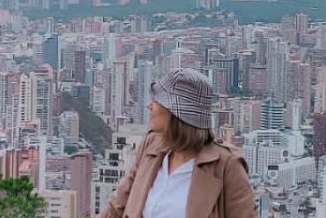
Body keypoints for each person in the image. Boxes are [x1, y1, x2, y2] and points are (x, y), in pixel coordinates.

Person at [100, 68, 255, 218]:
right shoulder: (151, 145)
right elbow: (117, 205)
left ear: (177, 113)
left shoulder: (227, 166)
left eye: (157, 100)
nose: (149, 105)